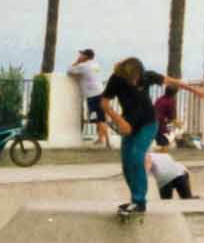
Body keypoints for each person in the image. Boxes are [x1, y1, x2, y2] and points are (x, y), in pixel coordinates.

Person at [99, 57, 158, 215]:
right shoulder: (116, 79)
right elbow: (104, 103)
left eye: (136, 78)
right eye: (131, 79)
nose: (134, 81)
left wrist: (194, 90)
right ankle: (135, 200)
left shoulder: (146, 76)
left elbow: (171, 81)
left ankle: (139, 202)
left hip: (148, 124)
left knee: (136, 156)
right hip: (129, 126)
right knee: (127, 165)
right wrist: (119, 121)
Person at [67, 49, 107, 149]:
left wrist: (77, 61)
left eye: (82, 54)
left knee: (95, 118)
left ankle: (102, 139)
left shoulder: (83, 66)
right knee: (101, 118)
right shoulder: (95, 64)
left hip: (92, 95)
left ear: (85, 56)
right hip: (101, 92)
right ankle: (102, 139)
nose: (80, 56)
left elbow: (69, 71)